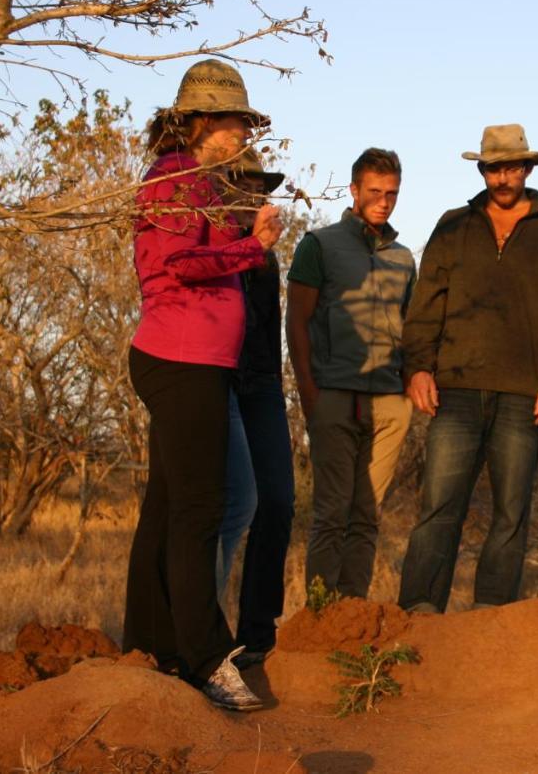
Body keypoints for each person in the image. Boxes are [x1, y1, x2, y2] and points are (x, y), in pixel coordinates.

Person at [125, 59, 283, 711]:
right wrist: (253, 244)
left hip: (197, 362)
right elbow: (176, 263)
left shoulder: (203, 185)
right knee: (199, 510)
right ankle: (203, 659)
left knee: (169, 510)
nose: (245, 133)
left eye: (246, 122)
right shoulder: (172, 180)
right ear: (202, 123)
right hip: (181, 359)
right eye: (236, 123)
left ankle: (151, 647)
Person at [397, 124, 538, 614]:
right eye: (493, 167)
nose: (503, 177)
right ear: (481, 170)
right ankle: (419, 612)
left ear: (528, 167)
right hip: (454, 387)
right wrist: (417, 366)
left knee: (510, 512)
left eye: (512, 166)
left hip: (525, 394)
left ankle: (493, 621)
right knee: (439, 505)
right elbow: (426, 303)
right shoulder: (453, 225)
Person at [286, 148, 416, 599]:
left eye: (392, 193)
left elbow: (412, 328)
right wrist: (309, 394)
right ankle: (321, 619)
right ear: (354, 191)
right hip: (334, 395)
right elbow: (296, 321)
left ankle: (354, 614)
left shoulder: (403, 258)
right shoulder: (318, 244)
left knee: (367, 513)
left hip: (390, 401)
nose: (384, 201)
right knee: (331, 512)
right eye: (375, 192)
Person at [215, 151, 296, 667]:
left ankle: (257, 631)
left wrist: (276, 383)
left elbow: (270, 329)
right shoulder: (214, 247)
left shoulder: (267, 258)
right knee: (226, 507)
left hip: (262, 383)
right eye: (240, 188)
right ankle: (206, 629)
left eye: (257, 189)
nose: (252, 198)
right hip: (218, 380)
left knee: (279, 501)